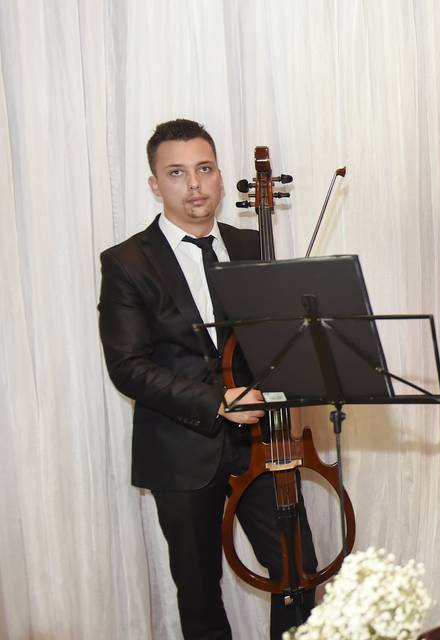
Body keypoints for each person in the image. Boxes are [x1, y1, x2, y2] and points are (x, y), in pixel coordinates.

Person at [98, 119, 317, 640]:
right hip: (179, 448)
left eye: (204, 169)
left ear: (220, 176)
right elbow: (128, 366)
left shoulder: (251, 246)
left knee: (298, 570)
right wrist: (216, 401)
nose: (194, 185)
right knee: (198, 590)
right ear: (155, 183)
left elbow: (276, 344)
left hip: (261, 442)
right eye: (177, 173)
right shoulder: (127, 261)